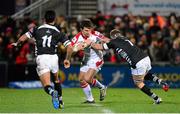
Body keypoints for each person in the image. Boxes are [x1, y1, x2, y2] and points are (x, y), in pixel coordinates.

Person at [87, 29, 169, 104]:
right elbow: (110, 41)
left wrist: (89, 42)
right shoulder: (124, 38)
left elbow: (98, 47)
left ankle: (156, 99)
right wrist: (101, 38)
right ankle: (161, 82)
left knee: (138, 83)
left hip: (136, 62)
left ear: (113, 37)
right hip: (145, 57)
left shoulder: (113, 42)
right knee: (144, 75)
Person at [12, 10, 73, 109]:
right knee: (56, 80)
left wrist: (17, 43)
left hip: (42, 58)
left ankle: (53, 92)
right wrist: (67, 59)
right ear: (54, 19)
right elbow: (70, 47)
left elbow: (24, 37)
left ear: (44, 19)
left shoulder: (36, 29)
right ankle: (61, 100)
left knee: (46, 85)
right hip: (54, 58)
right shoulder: (59, 32)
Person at [71, 19, 108, 103]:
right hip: (86, 59)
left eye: (90, 30)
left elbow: (107, 40)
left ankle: (102, 87)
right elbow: (71, 48)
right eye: (86, 30)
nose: (88, 32)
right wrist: (74, 49)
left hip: (97, 59)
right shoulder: (77, 37)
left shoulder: (95, 34)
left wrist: (110, 43)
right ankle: (90, 99)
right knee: (81, 79)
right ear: (81, 29)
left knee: (87, 79)